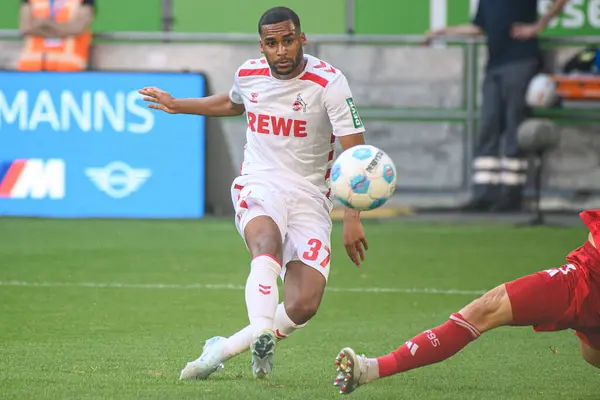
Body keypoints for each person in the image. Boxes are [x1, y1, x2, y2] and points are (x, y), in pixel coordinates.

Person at [139, 6, 370, 380]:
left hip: (311, 196)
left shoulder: (329, 83)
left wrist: (352, 217)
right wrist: (177, 105)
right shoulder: (248, 74)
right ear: (262, 45)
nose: (281, 50)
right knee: (265, 242)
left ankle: (222, 349)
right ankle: (263, 330)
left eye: (288, 40)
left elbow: (356, 152)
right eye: (272, 43)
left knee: (303, 304)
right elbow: (233, 103)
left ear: (302, 39)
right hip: (260, 181)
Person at [333, 209, 600, 395]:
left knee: (485, 310)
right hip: (587, 277)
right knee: (590, 354)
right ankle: (369, 369)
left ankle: (369, 369)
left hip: (587, 279)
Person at [425, 0, 568, 212]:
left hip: (520, 63)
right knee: (488, 127)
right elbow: (477, 28)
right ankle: (484, 194)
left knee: (514, 128)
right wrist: (442, 32)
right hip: (495, 66)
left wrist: (538, 26)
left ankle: (511, 195)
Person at [18, 0, 95, 72]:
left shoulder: (84, 1)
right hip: (30, 68)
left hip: (69, 69)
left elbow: (77, 29)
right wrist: (62, 30)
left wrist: (45, 24)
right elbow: (26, 28)